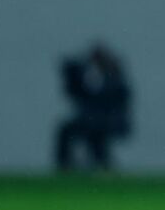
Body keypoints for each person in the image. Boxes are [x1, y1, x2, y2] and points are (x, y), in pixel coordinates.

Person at [55, 43, 132, 171]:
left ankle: (102, 167)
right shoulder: (92, 76)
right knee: (73, 134)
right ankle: (67, 166)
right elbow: (76, 92)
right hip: (94, 121)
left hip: (108, 120)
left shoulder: (112, 76)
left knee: (96, 141)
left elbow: (111, 98)